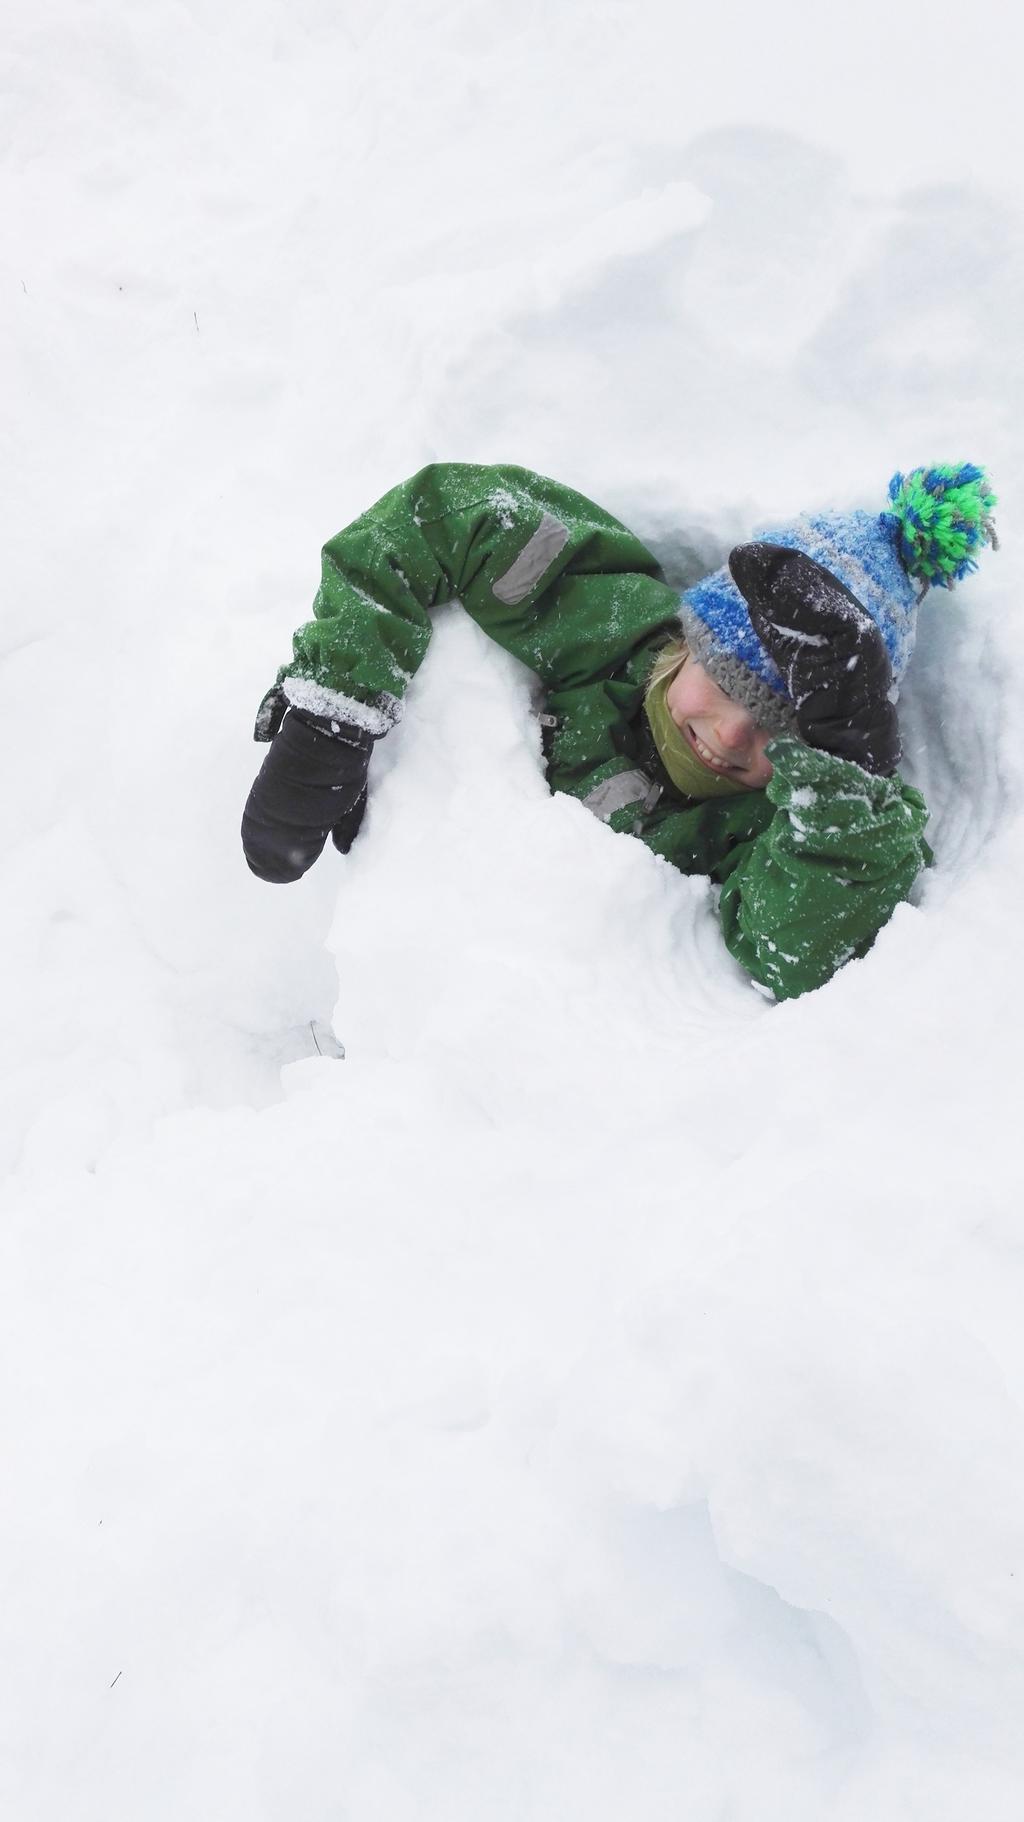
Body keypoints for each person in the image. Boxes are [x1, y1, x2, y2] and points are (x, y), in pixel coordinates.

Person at [241, 461, 997, 1001]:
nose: (733, 736)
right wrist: (336, 711)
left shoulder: (771, 829)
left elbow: (790, 954)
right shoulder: (607, 625)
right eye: (726, 683)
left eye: (782, 735)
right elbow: (443, 519)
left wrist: (846, 777)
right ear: (692, 635)